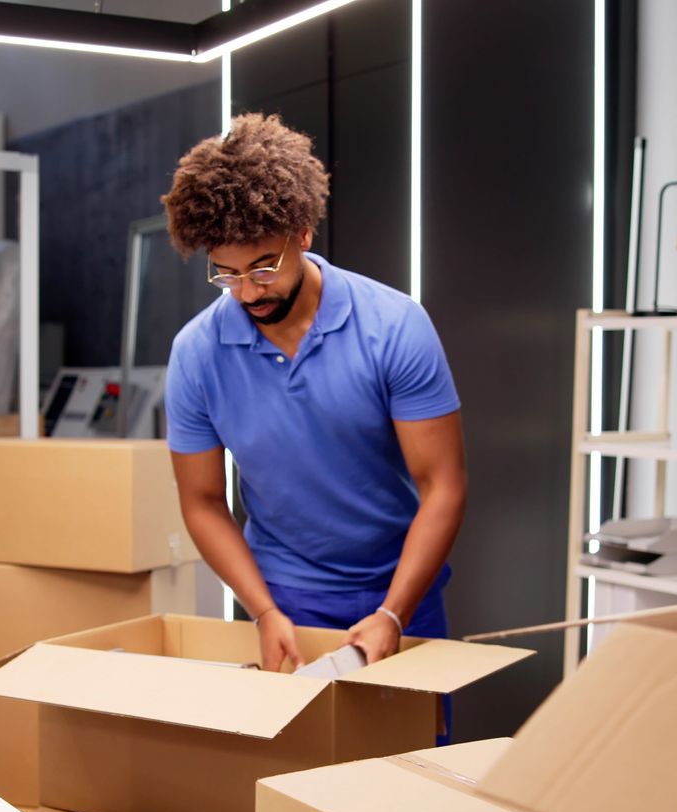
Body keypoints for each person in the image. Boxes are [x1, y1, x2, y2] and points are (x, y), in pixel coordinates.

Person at [160, 113, 466, 673]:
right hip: (285, 600)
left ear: (301, 233)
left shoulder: (395, 327)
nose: (248, 292)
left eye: (264, 267)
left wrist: (394, 613)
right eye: (225, 274)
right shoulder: (197, 354)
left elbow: (442, 484)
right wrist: (261, 611)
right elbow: (202, 501)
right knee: (295, 761)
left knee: (417, 762)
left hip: (403, 590)